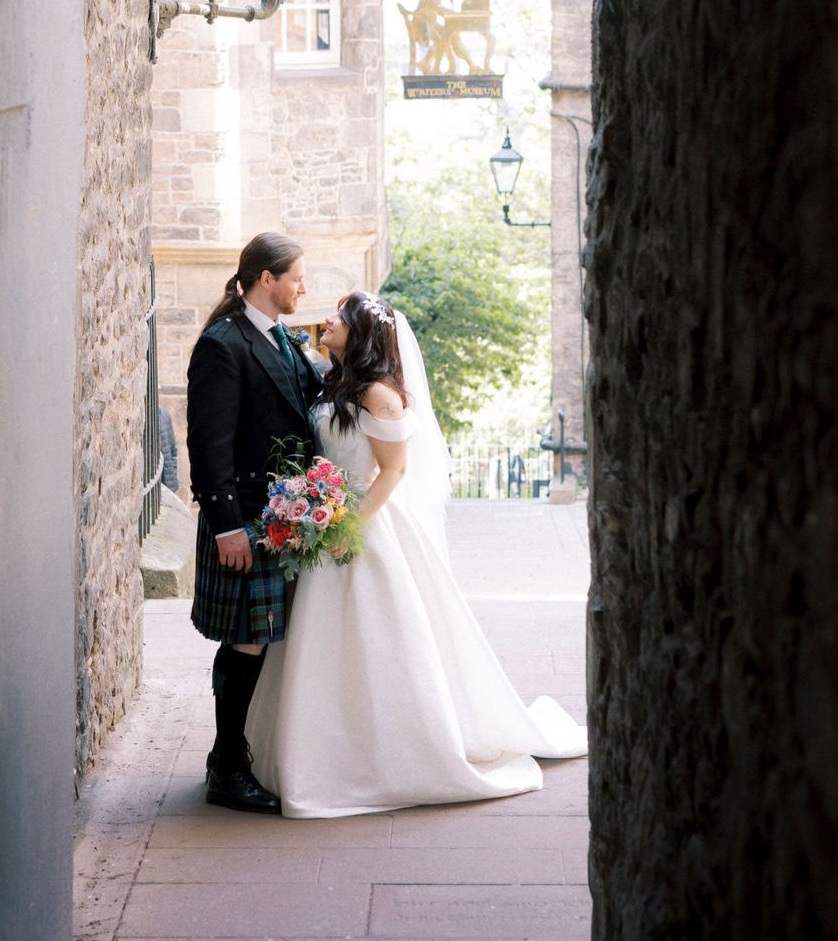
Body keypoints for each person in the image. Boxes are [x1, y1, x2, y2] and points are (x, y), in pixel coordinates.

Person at [246, 290, 587, 817]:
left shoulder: (382, 393)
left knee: (384, 639)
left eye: (340, 317)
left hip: (369, 527)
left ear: (360, 333)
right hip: (330, 518)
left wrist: (345, 528)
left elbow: (393, 472)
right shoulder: (334, 382)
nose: (327, 321)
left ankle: (398, 753)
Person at [184, 232, 323, 814]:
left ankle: (230, 757)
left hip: (280, 516)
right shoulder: (224, 344)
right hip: (244, 517)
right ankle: (227, 769)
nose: (302, 287)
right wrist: (226, 526)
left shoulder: (283, 340)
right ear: (266, 278)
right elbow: (207, 443)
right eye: (295, 277)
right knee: (245, 641)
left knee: (254, 642)